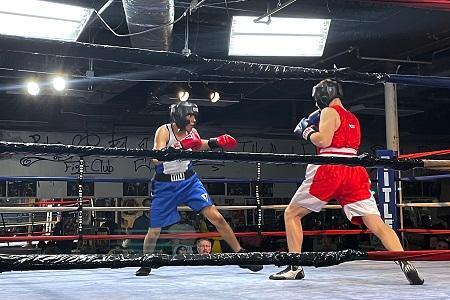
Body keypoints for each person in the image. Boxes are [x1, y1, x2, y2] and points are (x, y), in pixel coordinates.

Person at [269, 79, 424, 285]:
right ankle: (404, 261)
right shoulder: (353, 118)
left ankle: (295, 267)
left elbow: (323, 141)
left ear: (322, 96)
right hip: (354, 170)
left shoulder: (328, 112)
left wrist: (306, 131)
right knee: (376, 223)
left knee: (292, 214)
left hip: (330, 167)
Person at [135, 101, 263, 276]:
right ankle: (146, 261)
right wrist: (179, 147)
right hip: (165, 185)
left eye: (195, 116)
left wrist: (215, 142)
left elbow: (197, 144)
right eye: (190, 115)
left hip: (189, 182)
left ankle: (241, 255)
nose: (194, 119)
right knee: (155, 229)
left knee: (217, 217)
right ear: (179, 116)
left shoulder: (192, 131)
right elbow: (156, 158)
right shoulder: (164, 130)